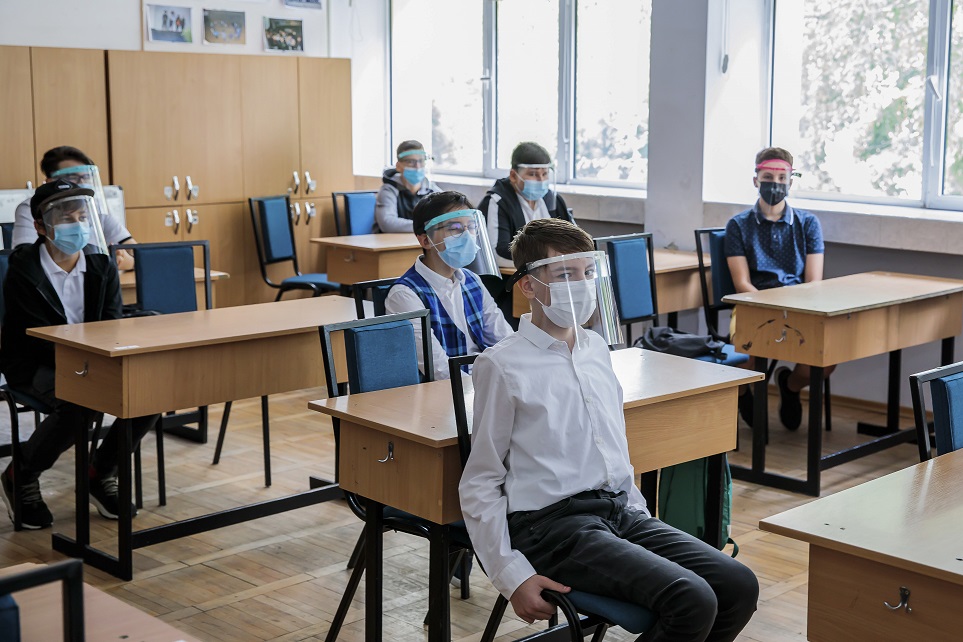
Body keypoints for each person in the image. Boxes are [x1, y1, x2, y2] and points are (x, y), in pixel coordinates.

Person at [459, 218, 759, 642]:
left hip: (616, 510)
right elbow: (480, 481)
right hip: (551, 527)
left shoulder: (596, 348)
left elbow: (612, 447)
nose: (581, 285)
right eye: (565, 274)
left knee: (738, 585)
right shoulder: (502, 365)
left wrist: (638, 516)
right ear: (528, 286)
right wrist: (511, 575)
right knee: (691, 599)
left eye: (587, 273)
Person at [0, 180, 160, 530]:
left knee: (148, 394)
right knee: (79, 404)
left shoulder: (101, 265)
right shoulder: (23, 270)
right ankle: (21, 475)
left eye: (81, 217)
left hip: (94, 359)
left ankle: (99, 472)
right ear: (41, 226)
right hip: (35, 363)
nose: (77, 225)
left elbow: (111, 325)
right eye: (66, 218)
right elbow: (37, 339)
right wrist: (88, 370)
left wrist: (97, 365)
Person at [724, 147, 833, 430]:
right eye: (768, 177)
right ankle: (743, 393)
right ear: (756, 180)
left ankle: (790, 385)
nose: (775, 183)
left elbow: (814, 282)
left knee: (828, 357)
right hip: (753, 305)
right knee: (743, 360)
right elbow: (742, 283)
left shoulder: (808, 224)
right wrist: (768, 309)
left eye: (782, 178)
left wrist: (791, 308)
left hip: (799, 306)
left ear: (790, 182)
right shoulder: (738, 225)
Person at [385, 191, 512, 381]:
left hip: (484, 381)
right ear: (425, 240)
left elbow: (505, 340)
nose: (467, 236)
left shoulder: (472, 281)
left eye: (471, 227)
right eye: (455, 228)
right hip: (448, 391)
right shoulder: (405, 296)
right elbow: (439, 370)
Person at [13, 146, 137, 270]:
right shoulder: (33, 208)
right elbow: (24, 258)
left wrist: (127, 262)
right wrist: (103, 262)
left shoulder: (95, 208)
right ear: (51, 181)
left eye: (86, 177)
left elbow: (137, 252)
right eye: (72, 177)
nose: (81, 182)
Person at [478, 142, 573, 269]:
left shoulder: (552, 199)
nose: (541, 180)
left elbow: (574, 242)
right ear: (513, 176)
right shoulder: (497, 202)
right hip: (515, 277)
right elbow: (498, 255)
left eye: (544, 174)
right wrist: (547, 260)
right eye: (533, 174)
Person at [373, 140, 441, 234]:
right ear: (398, 166)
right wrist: (426, 226)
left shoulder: (432, 190)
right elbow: (387, 223)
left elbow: (449, 215)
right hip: (391, 241)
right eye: (410, 162)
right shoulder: (389, 190)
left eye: (421, 161)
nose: (417, 166)